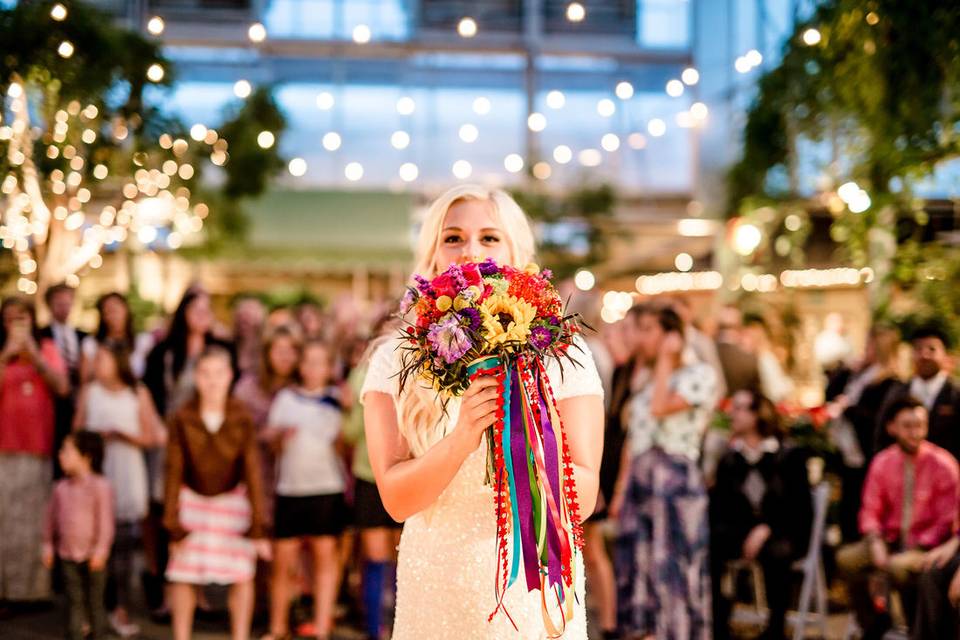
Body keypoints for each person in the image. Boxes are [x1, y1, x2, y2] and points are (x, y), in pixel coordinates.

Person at [361, 185, 605, 639]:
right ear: (432, 254)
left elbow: (585, 494)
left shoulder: (563, 354)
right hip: (436, 586)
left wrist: (530, 443)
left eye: (490, 238)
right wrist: (462, 438)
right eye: (453, 237)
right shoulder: (393, 359)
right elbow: (395, 500)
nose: (471, 250)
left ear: (516, 252)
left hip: (533, 589)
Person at [610, 303, 716, 640]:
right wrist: (618, 492)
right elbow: (634, 438)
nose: (641, 337)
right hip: (641, 482)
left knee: (672, 566)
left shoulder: (699, 375)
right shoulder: (646, 376)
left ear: (671, 334)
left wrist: (668, 359)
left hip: (674, 483)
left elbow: (659, 408)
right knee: (637, 564)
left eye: (649, 330)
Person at [163, 345, 270, 640]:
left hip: (232, 499)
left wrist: (258, 523)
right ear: (196, 377)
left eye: (218, 374)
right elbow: (172, 470)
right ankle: (181, 636)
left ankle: (240, 635)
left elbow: (253, 470)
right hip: (192, 498)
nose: (212, 381)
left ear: (229, 377)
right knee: (182, 572)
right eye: (205, 374)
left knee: (241, 572)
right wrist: (172, 521)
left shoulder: (241, 416)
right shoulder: (182, 417)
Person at [141, 289, 236, 615]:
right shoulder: (165, 352)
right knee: (168, 510)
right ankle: (170, 588)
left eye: (208, 308)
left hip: (206, 444)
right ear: (183, 312)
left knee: (202, 509)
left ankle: (199, 590)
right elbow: (149, 393)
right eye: (196, 308)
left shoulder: (221, 350)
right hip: (169, 441)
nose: (202, 313)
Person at [837, 397, 960, 638]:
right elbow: (870, 509)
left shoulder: (943, 465)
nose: (915, 433)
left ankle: (912, 627)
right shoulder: (883, 462)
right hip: (888, 538)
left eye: (920, 425)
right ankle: (875, 621)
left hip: (926, 545)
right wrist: (875, 541)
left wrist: (917, 545)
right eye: (908, 426)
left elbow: (947, 519)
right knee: (846, 559)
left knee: (897, 567)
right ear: (892, 428)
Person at [710, 389, 812, 640]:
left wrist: (767, 528)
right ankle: (718, 622)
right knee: (709, 545)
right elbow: (721, 507)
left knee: (775, 552)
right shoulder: (731, 459)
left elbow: (799, 508)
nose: (731, 413)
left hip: (784, 532)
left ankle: (775, 628)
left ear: (757, 415)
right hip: (742, 532)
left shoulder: (788, 455)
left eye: (739, 408)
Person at [264, 340, 348, 640]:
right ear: (300, 366)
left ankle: (322, 627)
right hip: (290, 489)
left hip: (326, 488)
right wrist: (277, 437)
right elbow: (269, 441)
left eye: (320, 362)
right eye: (308, 361)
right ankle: (277, 627)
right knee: (283, 562)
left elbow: (347, 443)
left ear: (329, 368)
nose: (313, 368)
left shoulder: (339, 400)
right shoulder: (285, 399)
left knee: (325, 558)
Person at [74, 342, 160, 637]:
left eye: (103, 358)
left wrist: (123, 435)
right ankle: (91, 609)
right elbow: (76, 431)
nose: (97, 363)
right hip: (95, 476)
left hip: (126, 472)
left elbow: (151, 436)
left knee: (122, 547)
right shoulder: (90, 392)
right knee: (91, 543)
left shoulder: (138, 392)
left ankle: (120, 607)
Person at [0, 296, 69, 606]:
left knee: (34, 521)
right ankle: (5, 590)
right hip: (4, 447)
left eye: (22, 318)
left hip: (38, 447)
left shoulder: (47, 349)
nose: (16, 323)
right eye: (10, 318)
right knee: (5, 520)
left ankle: (32, 591)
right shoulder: (3, 354)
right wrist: (6, 357)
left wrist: (36, 357)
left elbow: (63, 388)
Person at [341, 328, 401, 640]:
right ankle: (386, 627)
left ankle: (378, 629)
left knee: (383, 558)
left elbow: (350, 432)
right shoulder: (424, 368)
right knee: (390, 557)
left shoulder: (362, 373)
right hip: (391, 472)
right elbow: (349, 433)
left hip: (377, 474)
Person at [42, 431, 114, 640]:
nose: (60, 454)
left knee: (95, 602)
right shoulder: (60, 488)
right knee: (74, 600)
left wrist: (100, 552)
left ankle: (98, 633)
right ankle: (75, 633)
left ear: (86, 456)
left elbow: (106, 523)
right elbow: (50, 521)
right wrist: (47, 546)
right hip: (67, 555)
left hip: (94, 557)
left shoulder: (101, 487)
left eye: (67, 450)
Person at [876, 325, 960, 461]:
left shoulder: (955, 394)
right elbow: (881, 433)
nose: (924, 355)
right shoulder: (898, 391)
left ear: (945, 354)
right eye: (918, 349)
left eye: (932, 349)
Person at [40, 282, 87, 476]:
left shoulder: (82, 336)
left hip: (78, 400)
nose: (64, 308)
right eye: (59, 303)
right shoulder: (42, 336)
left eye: (68, 303)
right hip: (52, 402)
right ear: (50, 305)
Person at [79, 292, 155, 383]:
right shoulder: (91, 344)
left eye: (116, 309)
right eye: (108, 311)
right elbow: (84, 381)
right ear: (102, 317)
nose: (114, 316)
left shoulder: (143, 342)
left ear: (126, 310)